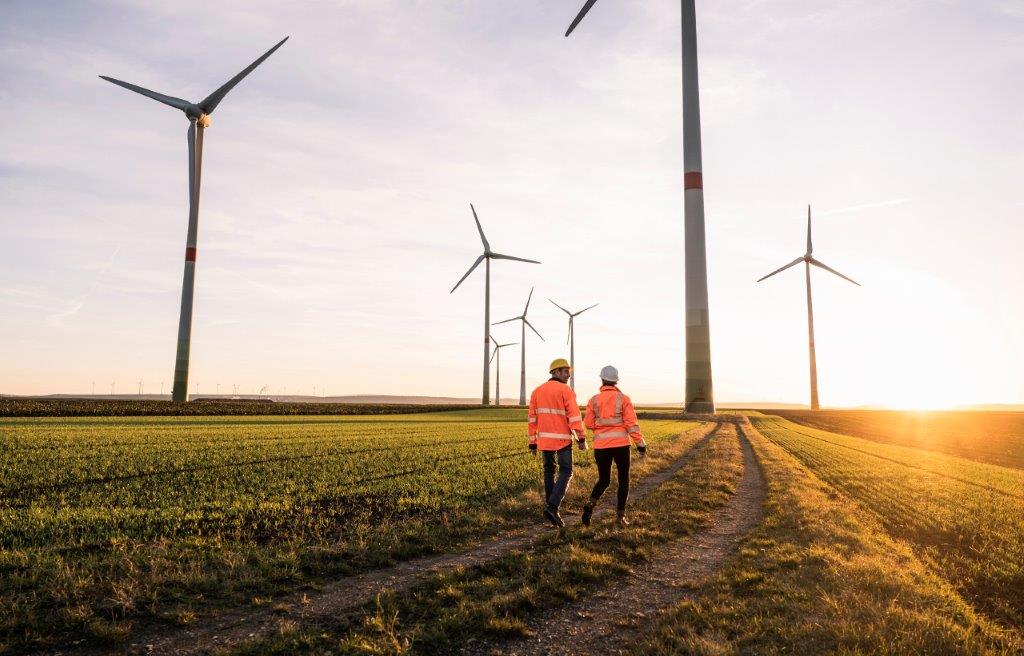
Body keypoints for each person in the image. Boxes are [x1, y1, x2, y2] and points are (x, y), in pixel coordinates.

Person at [581, 365, 646, 527]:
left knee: (603, 480)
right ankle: (620, 516)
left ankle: (590, 504)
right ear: (616, 381)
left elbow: (588, 423)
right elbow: (631, 424)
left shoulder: (593, 400)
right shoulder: (624, 399)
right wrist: (640, 443)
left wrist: (601, 425)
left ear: (602, 379)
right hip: (621, 446)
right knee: (624, 479)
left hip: (601, 446)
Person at [528, 358, 587, 527]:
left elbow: (532, 419)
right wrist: (581, 438)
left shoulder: (536, 391)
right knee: (566, 470)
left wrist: (532, 442)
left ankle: (551, 509)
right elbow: (575, 416)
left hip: (544, 440)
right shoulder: (565, 390)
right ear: (555, 372)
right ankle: (552, 507)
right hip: (562, 440)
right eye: (565, 371)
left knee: (549, 472)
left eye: (569, 371)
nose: (568, 375)